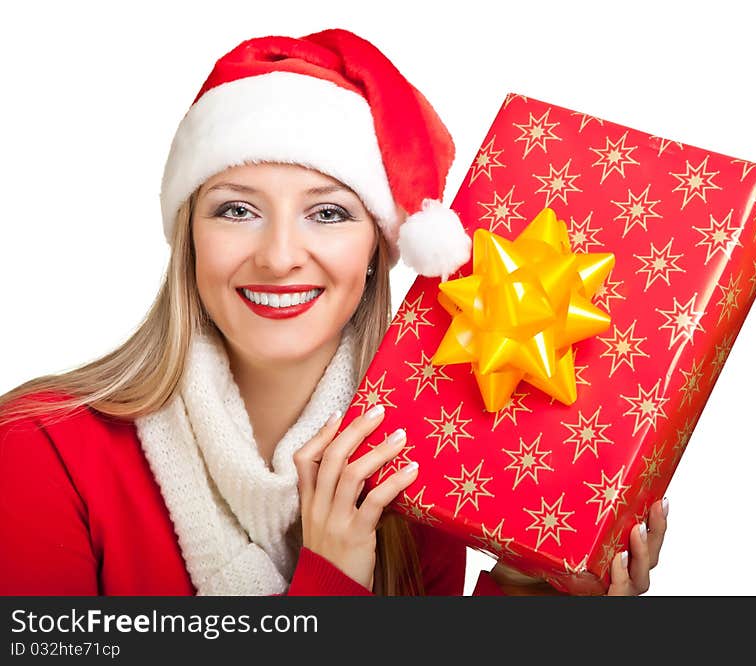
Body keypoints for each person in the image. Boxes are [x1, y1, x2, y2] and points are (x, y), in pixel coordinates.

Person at [0, 29, 667, 596]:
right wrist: (331, 584)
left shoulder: (409, 470)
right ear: (190, 238)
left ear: (380, 250)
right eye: (237, 209)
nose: (280, 256)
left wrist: (532, 594)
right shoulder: (39, 449)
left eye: (328, 213)